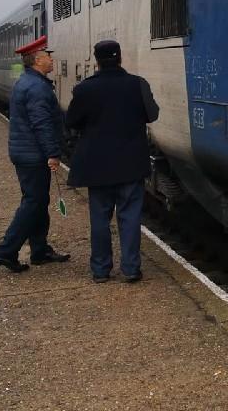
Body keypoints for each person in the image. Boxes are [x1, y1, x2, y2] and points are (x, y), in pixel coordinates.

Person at [66, 40, 159, 283]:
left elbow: (71, 121)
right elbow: (153, 114)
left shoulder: (84, 89)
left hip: (97, 166)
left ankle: (100, 270)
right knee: (130, 218)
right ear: (120, 57)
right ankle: (130, 269)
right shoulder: (137, 84)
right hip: (130, 164)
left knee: (99, 219)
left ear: (96, 59)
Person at [0, 38, 69, 273]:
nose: (51, 58)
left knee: (38, 201)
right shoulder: (36, 87)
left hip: (26, 151)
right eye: (48, 55)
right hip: (33, 154)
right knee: (33, 202)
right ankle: (6, 251)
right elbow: (41, 124)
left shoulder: (29, 82)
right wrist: (53, 153)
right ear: (37, 59)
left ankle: (39, 250)